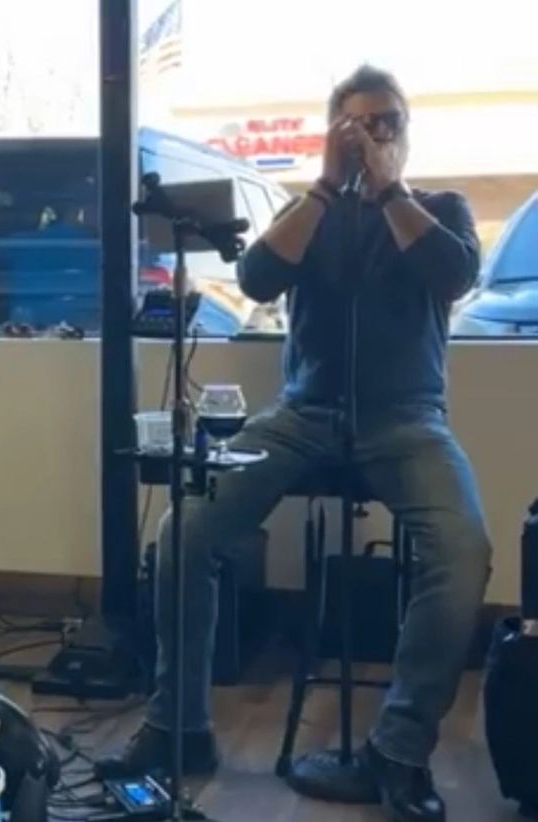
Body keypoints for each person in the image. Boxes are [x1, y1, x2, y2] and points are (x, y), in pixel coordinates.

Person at [96, 65, 492, 822]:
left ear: (405, 133)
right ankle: (177, 724)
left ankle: (398, 752)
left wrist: (386, 190)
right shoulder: (304, 211)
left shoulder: (439, 207)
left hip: (406, 417)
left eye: (386, 125)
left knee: (462, 548)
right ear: (332, 132)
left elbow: (452, 277)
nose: (373, 137)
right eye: (357, 125)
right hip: (302, 413)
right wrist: (322, 186)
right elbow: (256, 277)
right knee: (185, 533)